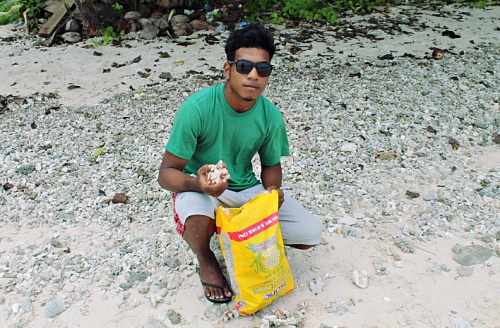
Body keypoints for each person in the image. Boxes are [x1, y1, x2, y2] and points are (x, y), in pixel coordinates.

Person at [157, 24, 322, 304]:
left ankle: (238, 238)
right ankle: (206, 257)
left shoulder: (270, 116)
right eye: (244, 66)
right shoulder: (197, 108)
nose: (253, 75)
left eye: (263, 69)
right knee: (197, 220)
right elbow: (165, 174)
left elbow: (271, 165)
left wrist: (272, 191)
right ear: (227, 69)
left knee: (309, 234)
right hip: (201, 187)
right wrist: (197, 183)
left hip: (245, 189)